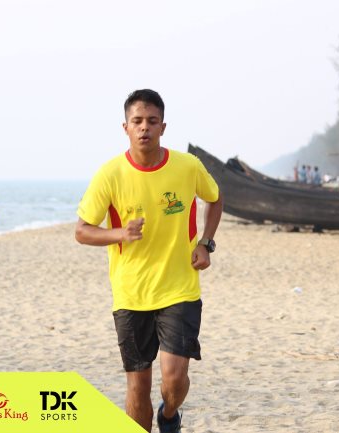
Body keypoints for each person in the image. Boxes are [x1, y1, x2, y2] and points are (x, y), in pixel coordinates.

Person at [75, 89, 223, 433]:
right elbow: (82, 231)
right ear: (125, 127)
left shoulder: (187, 167)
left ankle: (169, 415)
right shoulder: (110, 174)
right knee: (138, 387)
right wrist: (120, 234)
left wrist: (205, 243)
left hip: (179, 288)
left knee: (175, 379)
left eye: (152, 121)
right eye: (137, 121)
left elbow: (214, 199)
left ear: (163, 127)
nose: (145, 127)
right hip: (131, 294)